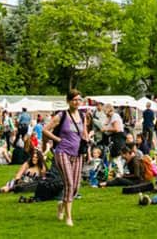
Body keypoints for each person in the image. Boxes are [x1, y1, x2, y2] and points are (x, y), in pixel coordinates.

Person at [41, 89, 89, 227]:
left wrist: (87, 149)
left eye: (79, 99)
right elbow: (45, 130)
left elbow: (84, 133)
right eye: (74, 99)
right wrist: (57, 139)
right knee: (69, 182)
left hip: (78, 153)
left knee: (75, 186)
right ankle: (68, 217)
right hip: (62, 152)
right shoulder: (61, 115)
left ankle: (62, 204)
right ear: (68, 101)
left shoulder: (82, 115)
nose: (77, 102)